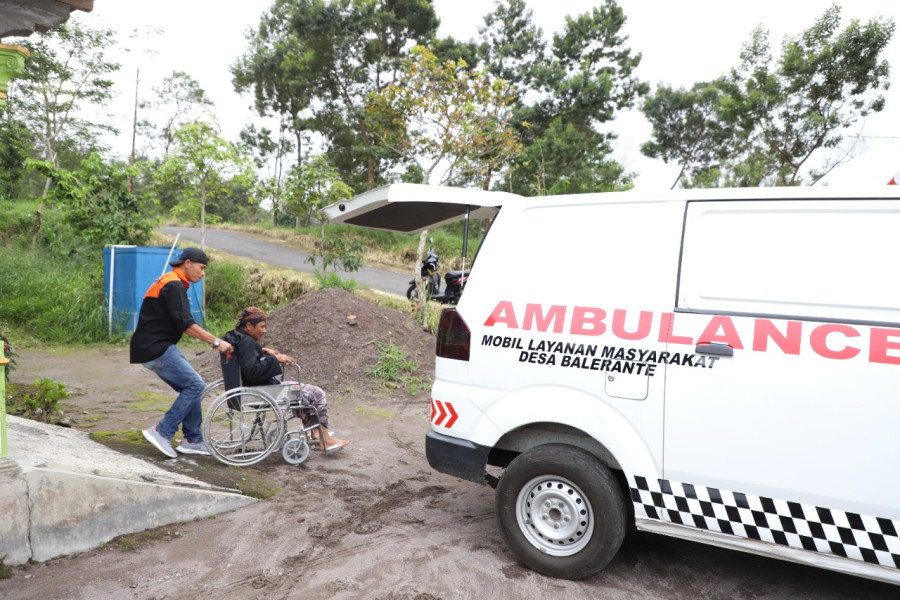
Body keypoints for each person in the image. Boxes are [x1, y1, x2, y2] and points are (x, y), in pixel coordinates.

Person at [131, 247, 234, 458]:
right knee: (195, 385)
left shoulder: (171, 281)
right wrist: (216, 342)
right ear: (187, 263)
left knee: (191, 386)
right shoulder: (174, 285)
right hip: (156, 347)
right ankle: (162, 431)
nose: (203, 273)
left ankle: (193, 439)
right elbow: (186, 324)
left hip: (151, 346)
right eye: (201, 267)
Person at [222, 306, 349, 450]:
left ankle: (315, 431)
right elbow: (253, 371)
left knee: (303, 393)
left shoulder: (236, 337)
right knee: (316, 393)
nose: (265, 331)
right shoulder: (247, 342)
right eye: (262, 326)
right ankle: (326, 440)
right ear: (249, 326)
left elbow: (247, 359)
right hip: (261, 391)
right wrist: (275, 359)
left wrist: (262, 350)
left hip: (248, 389)